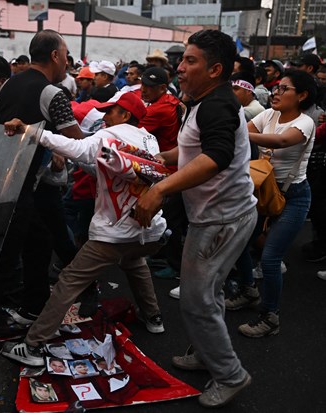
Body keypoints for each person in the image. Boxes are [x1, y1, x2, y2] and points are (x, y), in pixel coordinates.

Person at [134, 30, 257, 408]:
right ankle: (208, 355)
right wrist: (150, 158)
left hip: (221, 219)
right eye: (182, 59)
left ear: (215, 69)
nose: (180, 68)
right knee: (210, 294)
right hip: (219, 216)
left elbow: (216, 156)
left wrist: (160, 189)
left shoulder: (217, 105)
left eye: (190, 61)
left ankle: (231, 375)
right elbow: (191, 152)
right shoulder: (203, 101)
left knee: (196, 299)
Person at [2, 92, 168, 368]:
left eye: (111, 111)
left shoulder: (109, 136)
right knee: (135, 262)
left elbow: (77, 147)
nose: (105, 117)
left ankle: (33, 344)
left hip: (114, 234)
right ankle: (154, 318)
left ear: (125, 115)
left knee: (68, 281)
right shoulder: (149, 139)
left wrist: (31, 132)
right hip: (152, 232)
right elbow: (107, 168)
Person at [0, 30, 83, 359]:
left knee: (40, 241)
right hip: (17, 190)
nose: (67, 61)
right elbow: (78, 145)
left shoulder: (9, 86)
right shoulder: (52, 92)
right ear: (56, 56)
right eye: (65, 54)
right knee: (2, 264)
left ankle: (32, 307)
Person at [228, 70, 316, 338]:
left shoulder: (305, 122)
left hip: (294, 197)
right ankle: (248, 290)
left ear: (302, 96)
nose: (276, 93)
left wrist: (240, 133)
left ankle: (269, 317)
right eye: (277, 88)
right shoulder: (269, 115)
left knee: (269, 258)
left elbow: (280, 141)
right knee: (240, 244)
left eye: (284, 89)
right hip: (264, 191)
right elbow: (248, 129)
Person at [139, 66, 186, 281]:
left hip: (170, 169)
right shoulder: (170, 101)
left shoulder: (159, 109)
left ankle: (176, 266)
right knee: (167, 217)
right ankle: (161, 254)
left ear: (163, 88)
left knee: (170, 219)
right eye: (143, 84)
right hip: (172, 164)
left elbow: (136, 131)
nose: (144, 90)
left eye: (149, 87)